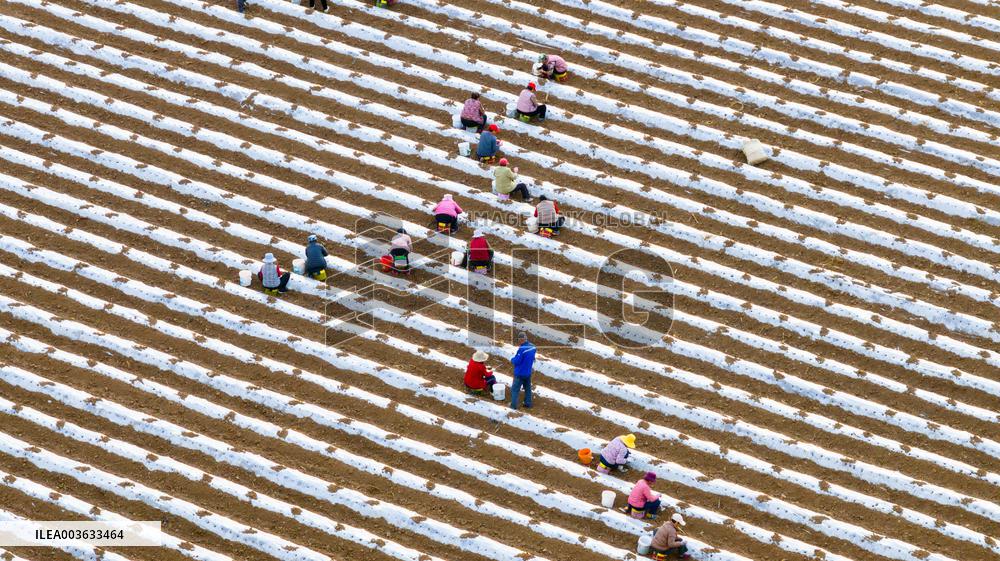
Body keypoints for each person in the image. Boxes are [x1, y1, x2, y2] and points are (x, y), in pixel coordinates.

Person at [509, 332, 536, 410]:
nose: (518, 342)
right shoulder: (533, 347)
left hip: (520, 373)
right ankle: (528, 403)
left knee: (515, 390)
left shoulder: (522, 349)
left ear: (521, 340)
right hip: (528, 372)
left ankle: (513, 406)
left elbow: (517, 361)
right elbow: (532, 357)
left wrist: (512, 359)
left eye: (519, 340)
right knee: (528, 388)